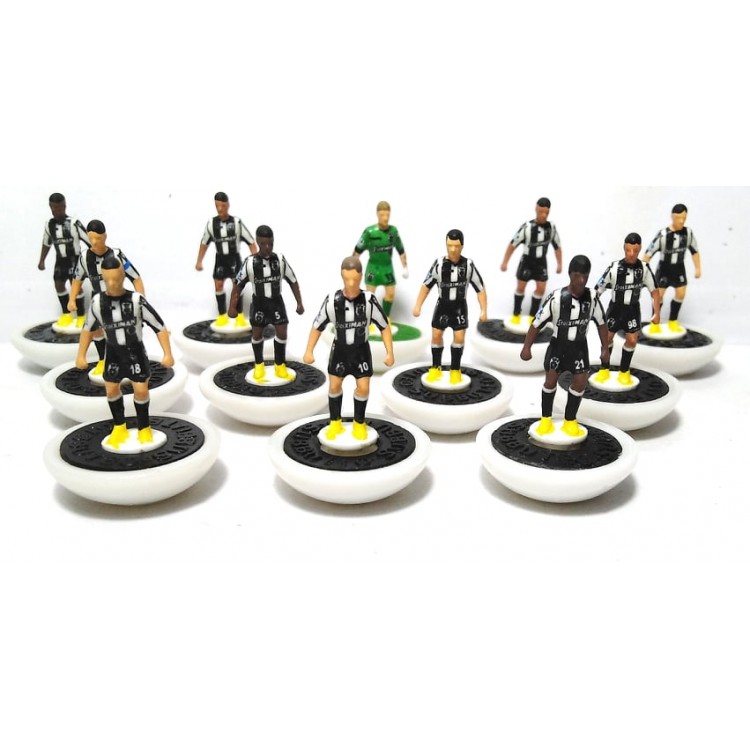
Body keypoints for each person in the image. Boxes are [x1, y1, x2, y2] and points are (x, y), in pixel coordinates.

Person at [75, 256, 173, 449]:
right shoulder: (97, 302)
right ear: (103, 278)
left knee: (141, 390)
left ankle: (144, 427)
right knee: (111, 389)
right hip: (113, 353)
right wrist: (81, 355)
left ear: (123, 276)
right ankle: (119, 426)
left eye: (117, 279)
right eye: (108, 280)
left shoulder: (136, 301)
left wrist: (167, 353)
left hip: (135, 352)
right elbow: (87, 329)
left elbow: (159, 326)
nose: (113, 284)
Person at [304, 256, 394, 441]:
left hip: (361, 352)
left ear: (361, 277)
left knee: (364, 388)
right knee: (334, 386)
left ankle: (359, 423)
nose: (351, 283)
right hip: (340, 351)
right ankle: (335, 422)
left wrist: (390, 352)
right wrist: (309, 350)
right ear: (341, 276)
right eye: (347, 279)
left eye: (355, 279)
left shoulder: (369, 300)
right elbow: (317, 326)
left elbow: (384, 326)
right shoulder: (332, 300)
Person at [520, 255, 609, 438]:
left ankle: (570, 420)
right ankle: (546, 419)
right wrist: (526, 347)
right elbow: (537, 323)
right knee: (551, 380)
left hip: (579, 348)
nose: (581, 280)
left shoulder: (592, 297)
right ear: (570, 274)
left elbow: (601, 323)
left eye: (585, 276)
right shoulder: (556, 298)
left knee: (580, 382)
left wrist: (605, 347)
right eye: (577, 275)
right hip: (558, 347)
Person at [68, 220, 144, 377]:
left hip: (119, 300)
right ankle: (103, 359)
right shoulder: (84, 257)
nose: (94, 242)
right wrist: (72, 299)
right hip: (98, 301)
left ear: (105, 237)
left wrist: (141, 299)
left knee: (122, 329)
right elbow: (77, 279)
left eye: (98, 238)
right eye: (91, 239)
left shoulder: (116, 255)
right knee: (95, 331)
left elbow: (135, 277)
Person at [228, 225, 304, 381]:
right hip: (259, 303)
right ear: (258, 242)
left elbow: (293, 281)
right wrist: (232, 306)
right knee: (257, 333)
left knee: (282, 331)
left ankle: (280, 365)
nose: (267, 247)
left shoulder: (280, 260)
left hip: (276, 302)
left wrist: (299, 303)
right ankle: (259, 365)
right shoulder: (250, 262)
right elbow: (238, 285)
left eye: (270, 244)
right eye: (263, 244)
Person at [413, 229, 487, 384]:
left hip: (459, 307)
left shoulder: (468, 265)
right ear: (446, 245)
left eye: (457, 246)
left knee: (459, 337)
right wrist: (418, 305)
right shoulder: (439, 264)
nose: (453, 249)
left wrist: (483, 310)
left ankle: (455, 369)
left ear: (462, 246)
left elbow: (480, 288)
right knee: (436, 335)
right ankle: (436, 367)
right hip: (442, 305)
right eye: (450, 245)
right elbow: (426, 285)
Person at [594, 233, 660, 386]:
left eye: (635, 251)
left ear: (639, 250)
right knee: (607, 338)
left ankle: (624, 371)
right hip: (615, 309)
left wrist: (656, 312)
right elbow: (598, 289)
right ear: (624, 248)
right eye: (628, 250)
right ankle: (604, 369)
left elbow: (654, 291)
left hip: (632, 309)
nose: (631, 254)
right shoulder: (614, 268)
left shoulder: (644, 268)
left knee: (632, 340)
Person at [195, 192, 258, 326]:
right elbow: (204, 243)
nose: (220, 209)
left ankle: (239, 316)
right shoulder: (211, 223)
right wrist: (199, 261)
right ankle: (222, 316)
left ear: (228, 205)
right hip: (220, 259)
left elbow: (251, 241)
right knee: (218, 285)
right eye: (217, 206)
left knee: (237, 285)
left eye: (222, 206)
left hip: (234, 258)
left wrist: (256, 260)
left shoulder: (236, 222)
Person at [500, 197, 563, 325]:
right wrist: (505, 262)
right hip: (527, 261)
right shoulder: (527, 227)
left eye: (546, 212)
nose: (543, 215)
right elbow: (513, 244)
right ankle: (516, 314)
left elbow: (557, 246)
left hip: (541, 262)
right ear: (536, 210)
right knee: (521, 287)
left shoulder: (551, 228)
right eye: (541, 212)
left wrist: (559, 264)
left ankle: (532, 316)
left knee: (541, 288)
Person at [642, 203, 701, 331]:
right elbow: (648, 253)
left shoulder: (688, 233)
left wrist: (698, 268)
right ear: (672, 217)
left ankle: (673, 321)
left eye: (684, 218)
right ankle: (655, 323)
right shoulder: (663, 234)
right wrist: (642, 271)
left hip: (679, 268)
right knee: (659, 295)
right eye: (678, 218)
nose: (681, 221)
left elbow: (695, 251)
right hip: (664, 269)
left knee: (681, 293)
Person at [37, 192, 90, 326]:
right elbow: (46, 243)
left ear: (65, 206)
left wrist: (96, 257)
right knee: (58, 284)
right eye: (55, 208)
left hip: (74, 259)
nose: (58, 211)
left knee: (75, 286)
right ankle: (66, 314)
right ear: (51, 207)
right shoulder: (49, 225)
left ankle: (81, 316)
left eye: (61, 207)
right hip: (60, 260)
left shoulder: (74, 223)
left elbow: (89, 240)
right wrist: (42, 260)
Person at [353, 200, 408, 320]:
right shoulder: (369, 232)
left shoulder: (393, 232)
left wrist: (405, 267)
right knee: (369, 297)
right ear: (377, 214)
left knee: (391, 294)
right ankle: (370, 321)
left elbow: (401, 249)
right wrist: (352, 267)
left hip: (387, 268)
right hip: (373, 268)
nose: (385, 218)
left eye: (387, 214)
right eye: (382, 215)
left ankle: (386, 319)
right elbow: (357, 250)